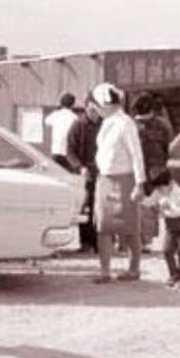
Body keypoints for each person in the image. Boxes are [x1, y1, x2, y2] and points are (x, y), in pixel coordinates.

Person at [92, 83, 146, 282]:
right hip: (105, 178)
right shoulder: (106, 123)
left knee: (130, 228)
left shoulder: (125, 123)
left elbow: (136, 154)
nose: (96, 109)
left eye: (97, 105)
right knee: (103, 226)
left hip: (125, 178)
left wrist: (140, 183)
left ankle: (134, 269)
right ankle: (105, 270)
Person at [142, 171, 180, 288]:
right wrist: (139, 199)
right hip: (170, 226)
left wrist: (165, 210)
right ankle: (173, 274)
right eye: (158, 188)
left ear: (170, 183)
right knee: (167, 250)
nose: (159, 191)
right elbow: (149, 202)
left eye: (161, 188)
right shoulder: (159, 192)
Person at [133, 93, 171, 249]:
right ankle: (146, 240)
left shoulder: (132, 126)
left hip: (138, 168)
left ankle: (138, 238)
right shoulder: (162, 125)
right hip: (156, 167)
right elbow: (168, 147)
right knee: (150, 204)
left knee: (138, 203)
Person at [66, 95, 103, 253]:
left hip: (103, 171)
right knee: (86, 207)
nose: (94, 113)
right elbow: (70, 151)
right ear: (86, 108)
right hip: (85, 171)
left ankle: (101, 242)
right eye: (92, 110)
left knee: (102, 208)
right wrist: (80, 167)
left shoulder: (105, 124)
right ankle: (86, 242)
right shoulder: (78, 125)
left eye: (97, 110)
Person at [44, 93, 78, 173]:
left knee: (56, 174)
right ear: (73, 104)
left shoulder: (55, 115)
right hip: (68, 152)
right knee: (69, 175)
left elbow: (46, 121)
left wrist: (57, 110)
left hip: (56, 150)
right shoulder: (74, 118)